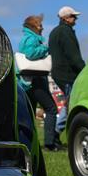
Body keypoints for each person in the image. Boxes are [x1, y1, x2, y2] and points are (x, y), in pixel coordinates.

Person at [19, 15, 62, 150]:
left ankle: (29, 143)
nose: (42, 28)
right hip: (35, 79)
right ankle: (50, 143)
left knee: (30, 113)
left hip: (28, 81)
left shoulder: (26, 37)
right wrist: (45, 49)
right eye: (40, 25)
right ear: (34, 26)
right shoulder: (32, 38)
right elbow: (31, 53)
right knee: (51, 109)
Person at [48, 6, 86, 135]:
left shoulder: (54, 32)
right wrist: (84, 70)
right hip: (67, 74)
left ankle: (55, 133)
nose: (76, 19)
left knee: (69, 102)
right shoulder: (65, 32)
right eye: (73, 16)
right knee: (71, 103)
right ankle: (56, 132)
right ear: (66, 18)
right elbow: (73, 55)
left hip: (58, 73)